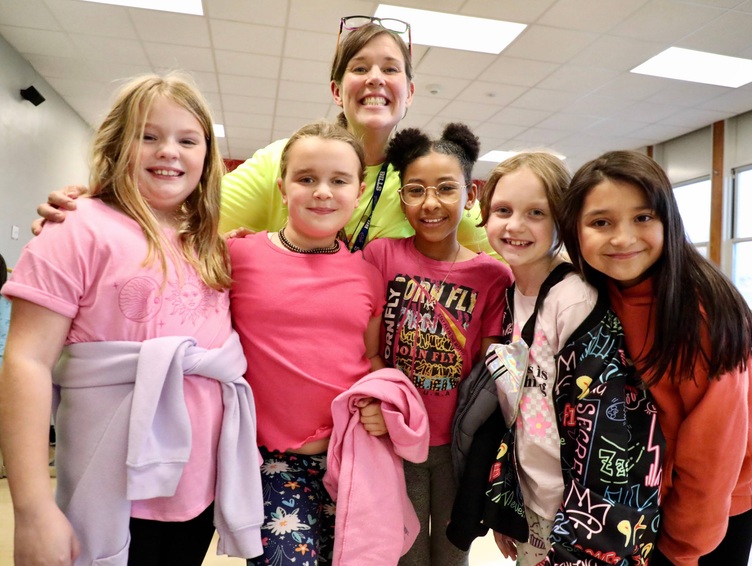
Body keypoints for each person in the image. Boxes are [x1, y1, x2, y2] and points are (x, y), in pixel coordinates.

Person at [0, 72, 263, 566]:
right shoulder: (74, 228)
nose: (169, 151)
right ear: (117, 144)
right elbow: (26, 361)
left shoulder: (208, 247)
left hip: (197, 492)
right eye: (148, 136)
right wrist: (32, 508)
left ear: (206, 157)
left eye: (187, 140)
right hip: (113, 489)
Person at [32, 19, 496, 259]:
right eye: (359, 68)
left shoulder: (423, 183)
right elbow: (187, 214)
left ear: (409, 93)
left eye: (390, 69)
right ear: (337, 89)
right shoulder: (284, 162)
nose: (375, 79)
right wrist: (93, 210)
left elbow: (501, 249)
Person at [447, 151, 664, 564]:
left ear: (561, 222)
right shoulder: (509, 296)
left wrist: (574, 540)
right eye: (503, 210)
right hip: (534, 503)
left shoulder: (574, 300)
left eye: (536, 213)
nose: (515, 225)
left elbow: (604, 429)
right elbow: (516, 413)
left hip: (582, 522)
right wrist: (506, 508)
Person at [228, 119, 427, 566]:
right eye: (306, 179)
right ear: (282, 188)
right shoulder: (238, 256)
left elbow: (372, 357)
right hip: (269, 461)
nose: (322, 191)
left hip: (352, 456)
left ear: (358, 193)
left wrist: (381, 405)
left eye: (338, 180)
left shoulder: (368, 274)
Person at [559, 150, 752, 565]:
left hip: (707, 517)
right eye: (601, 222)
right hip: (636, 505)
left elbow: (714, 453)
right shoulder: (594, 296)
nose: (623, 238)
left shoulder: (699, 311)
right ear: (575, 233)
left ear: (669, 221)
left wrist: (682, 549)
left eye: (643, 218)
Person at [363, 123, 513, 566]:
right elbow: (367, 349)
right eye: (415, 190)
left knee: (453, 554)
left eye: (446, 189)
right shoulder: (381, 256)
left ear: (470, 196)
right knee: (404, 554)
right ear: (401, 196)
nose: (430, 203)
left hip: (457, 448)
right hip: (396, 439)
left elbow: (491, 373)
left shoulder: (493, 276)